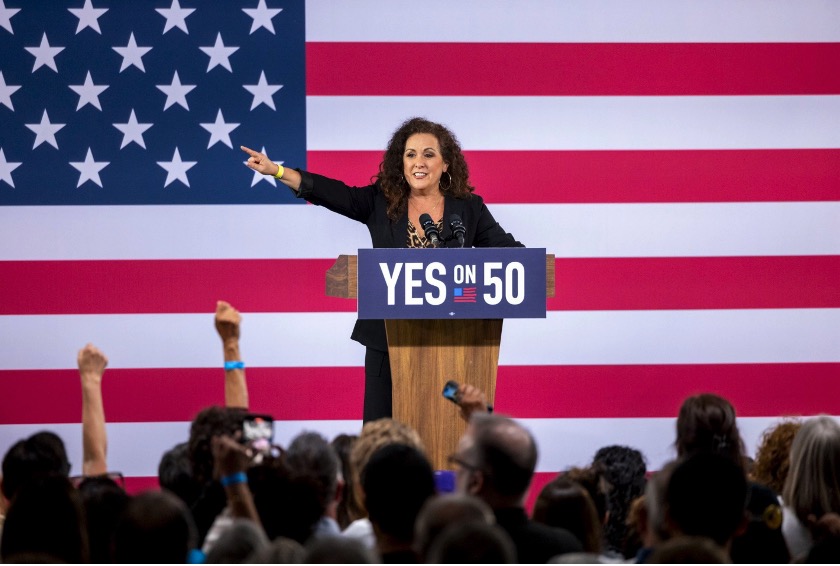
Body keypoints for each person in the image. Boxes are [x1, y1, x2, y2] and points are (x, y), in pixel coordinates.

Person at [242, 117, 524, 422]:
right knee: (382, 431)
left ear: (445, 164)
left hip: (449, 343)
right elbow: (334, 194)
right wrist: (278, 171)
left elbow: (512, 255)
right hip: (387, 341)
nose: (419, 162)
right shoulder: (382, 201)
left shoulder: (468, 208)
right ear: (401, 163)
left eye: (429, 154)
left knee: (445, 429)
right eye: (410, 154)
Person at [450, 412, 582, 562]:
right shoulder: (566, 549)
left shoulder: (452, 551)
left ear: (475, 483)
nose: (456, 472)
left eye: (458, 463)